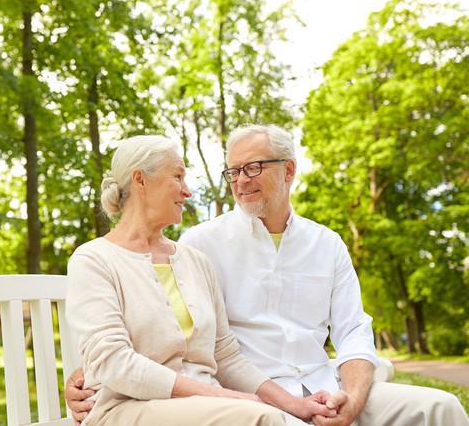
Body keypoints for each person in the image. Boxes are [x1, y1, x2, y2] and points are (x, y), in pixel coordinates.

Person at [67, 125, 469, 426]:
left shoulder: (321, 244)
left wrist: (352, 397)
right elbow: (117, 353)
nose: (239, 181)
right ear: (140, 180)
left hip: (313, 385)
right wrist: (85, 377)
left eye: (254, 168)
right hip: (232, 400)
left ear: (288, 170)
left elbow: (351, 333)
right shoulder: (199, 243)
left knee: (442, 407)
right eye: (233, 171)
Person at [65, 135, 339, 426]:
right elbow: (113, 362)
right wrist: (224, 397)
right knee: (261, 418)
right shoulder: (94, 260)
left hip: (207, 409)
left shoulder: (195, 261)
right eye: (178, 177)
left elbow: (226, 356)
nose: (187, 192)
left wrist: (297, 405)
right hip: (127, 409)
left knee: (269, 415)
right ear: (140, 180)